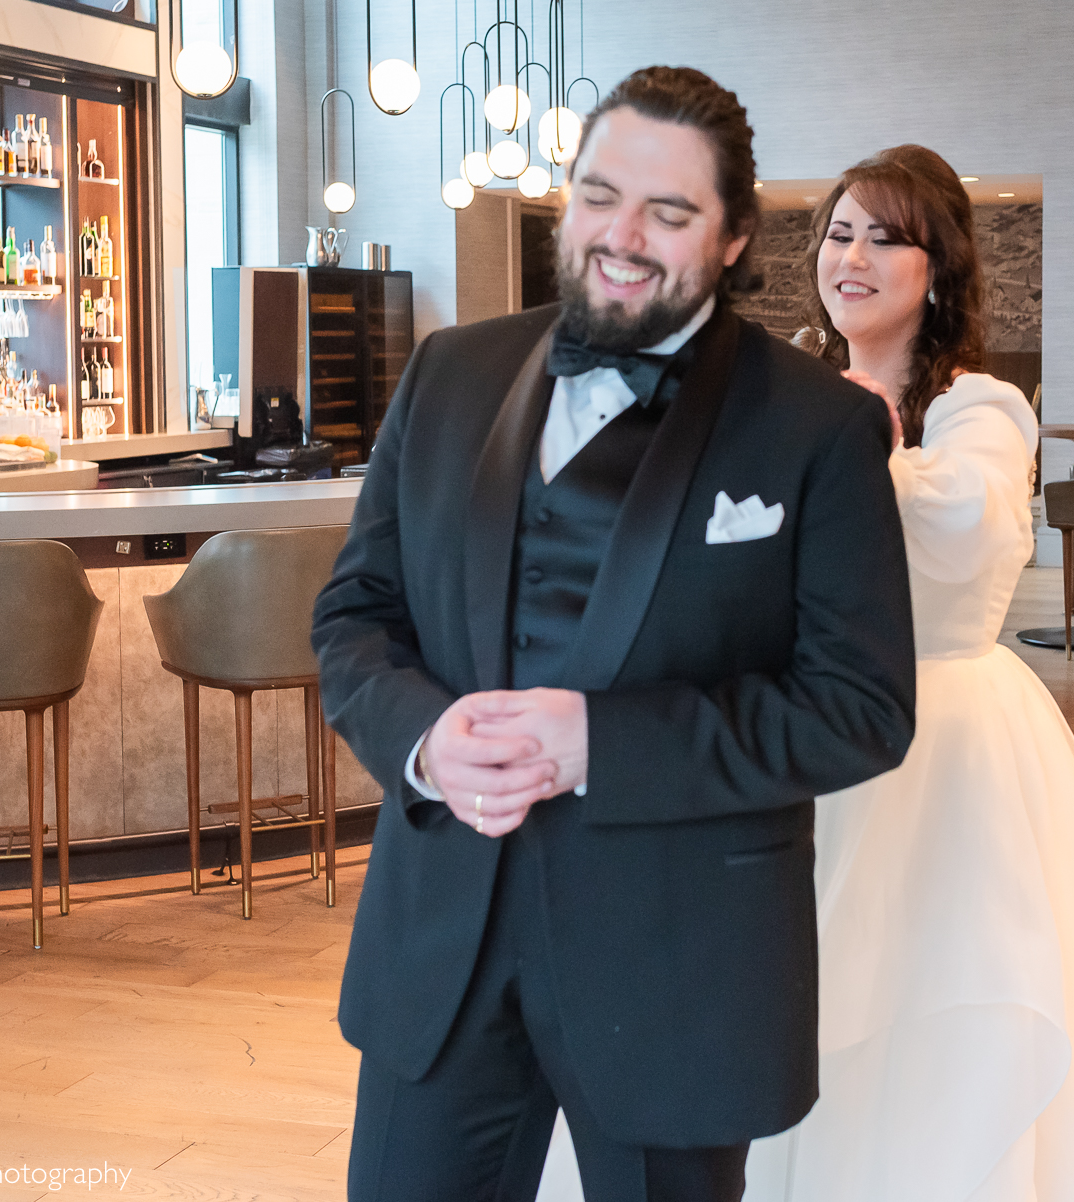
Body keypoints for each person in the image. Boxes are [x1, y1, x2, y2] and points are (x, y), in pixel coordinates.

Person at [543, 146, 1074, 1201]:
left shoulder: (980, 405)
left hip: (947, 740)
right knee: (785, 997)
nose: (853, 255)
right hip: (800, 730)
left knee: (934, 1004)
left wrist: (846, 440)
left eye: (886, 236)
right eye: (840, 232)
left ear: (937, 268)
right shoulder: (788, 386)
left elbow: (972, 525)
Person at [311, 68, 917, 1202]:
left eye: (669, 213)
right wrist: (424, 740)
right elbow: (355, 614)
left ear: (735, 236)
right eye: (597, 195)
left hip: (679, 962)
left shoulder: (819, 427)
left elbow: (860, 706)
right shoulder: (447, 373)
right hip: (442, 944)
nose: (620, 236)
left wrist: (604, 741)